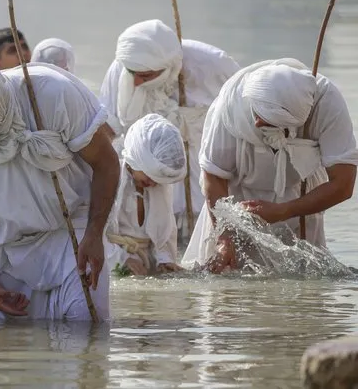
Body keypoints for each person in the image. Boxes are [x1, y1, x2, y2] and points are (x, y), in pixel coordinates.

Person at [0, 56, 120, 320]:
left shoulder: (52, 96)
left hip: (70, 239)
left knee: (83, 338)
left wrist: (95, 234)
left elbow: (106, 163)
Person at [181, 59, 358, 272]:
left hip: (302, 196)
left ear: (296, 120)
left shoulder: (326, 104)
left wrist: (286, 210)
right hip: (236, 201)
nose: (256, 124)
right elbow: (214, 175)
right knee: (227, 283)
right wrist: (224, 239)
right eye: (257, 115)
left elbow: (343, 184)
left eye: (267, 121)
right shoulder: (230, 106)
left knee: (302, 277)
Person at [99, 19, 240, 241]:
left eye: (145, 76)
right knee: (156, 232)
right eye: (132, 73)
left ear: (170, 66)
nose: (135, 82)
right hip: (149, 169)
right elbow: (109, 126)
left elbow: (239, 118)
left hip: (198, 153)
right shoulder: (124, 65)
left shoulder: (214, 64)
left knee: (203, 225)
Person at [105, 114, 187, 276]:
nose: (153, 184)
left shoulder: (158, 185)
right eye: (149, 177)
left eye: (157, 180)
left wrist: (165, 260)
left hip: (146, 264)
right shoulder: (107, 174)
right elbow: (92, 233)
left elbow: (165, 231)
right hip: (111, 262)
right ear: (137, 159)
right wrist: (121, 259)